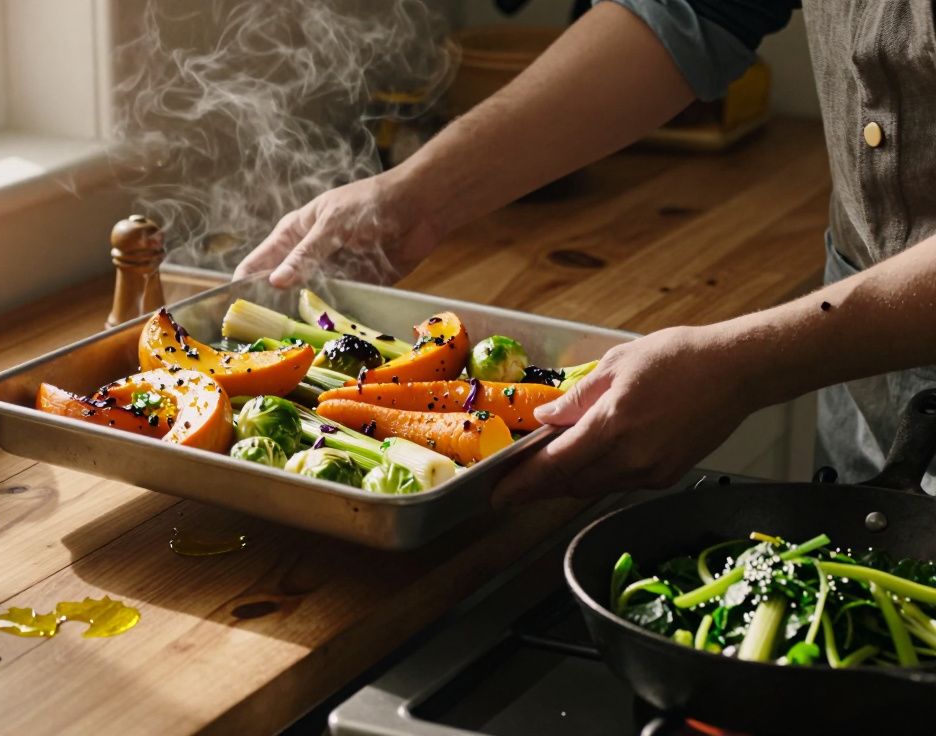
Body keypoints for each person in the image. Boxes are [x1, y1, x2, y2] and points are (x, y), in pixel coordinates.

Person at [233, 1, 936, 502]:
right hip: (861, 374)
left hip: (836, 335)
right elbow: (689, 13)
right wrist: (418, 193)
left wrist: (745, 367)